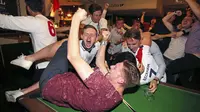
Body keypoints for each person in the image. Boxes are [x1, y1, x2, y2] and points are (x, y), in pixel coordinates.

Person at [13, 8, 141, 112]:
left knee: (65, 44)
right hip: (62, 88)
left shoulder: (102, 87)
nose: (111, 66)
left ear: (121, 80)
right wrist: (104, 42)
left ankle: (29, 59)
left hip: (51, 83)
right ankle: (26, 72)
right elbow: (100, 63)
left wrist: (75, 20)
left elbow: (73, 56)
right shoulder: (116, 92)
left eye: (115, 68)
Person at [5, 24, 101, 102]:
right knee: (65, 43)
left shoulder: (97, 45)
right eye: (86, 34)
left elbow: (101, 38)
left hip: (78, 72)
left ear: (96, 38)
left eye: (92, 35)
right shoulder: (76, 46)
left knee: (51, 78)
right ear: (81, 36)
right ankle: (29, 59)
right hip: (71, 67)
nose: (89, 37)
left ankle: (22, 91)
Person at [0, 0, 57, 81]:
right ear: (43, 8)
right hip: (53, 64)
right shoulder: (48, 22)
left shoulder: (34, 22)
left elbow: (6, 21)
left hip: (44, 67)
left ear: (28, 8)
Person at [166, 0, 200, 84]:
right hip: (188, 56)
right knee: (184, 81)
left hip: (194, 57)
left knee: (170, 68)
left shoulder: (197, 22)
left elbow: (197, 10)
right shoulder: (194, 24)